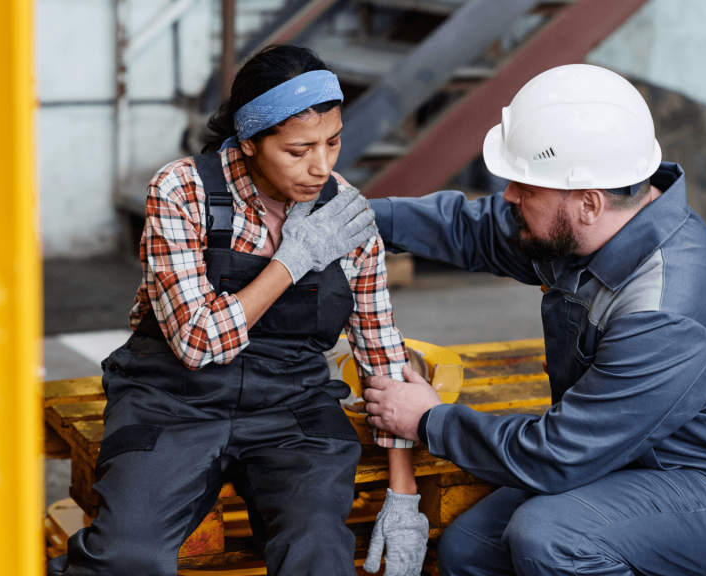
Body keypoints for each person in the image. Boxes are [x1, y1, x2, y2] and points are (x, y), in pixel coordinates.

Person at [361, 64, 706, 576]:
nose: (509, 195)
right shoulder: (585, 225)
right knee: (470, 550)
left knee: (551, 539)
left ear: (589, 202)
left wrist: (426, 420)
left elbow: (558, 454)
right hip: (628, 453)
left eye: (525, 187)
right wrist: (357, 216)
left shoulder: (667, 312)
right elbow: (473, 230)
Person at [47, 45, 429, 576]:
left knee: (318, 553)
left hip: (292, 408)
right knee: (128, 559)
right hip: (173, 402)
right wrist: (291, 260)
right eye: (298, 151)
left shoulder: (344, 213)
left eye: (333, 142)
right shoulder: (182, 191)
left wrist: (404, 495)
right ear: (249, 143)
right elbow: (198, 343)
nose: (321, 167)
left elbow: (379, 349)